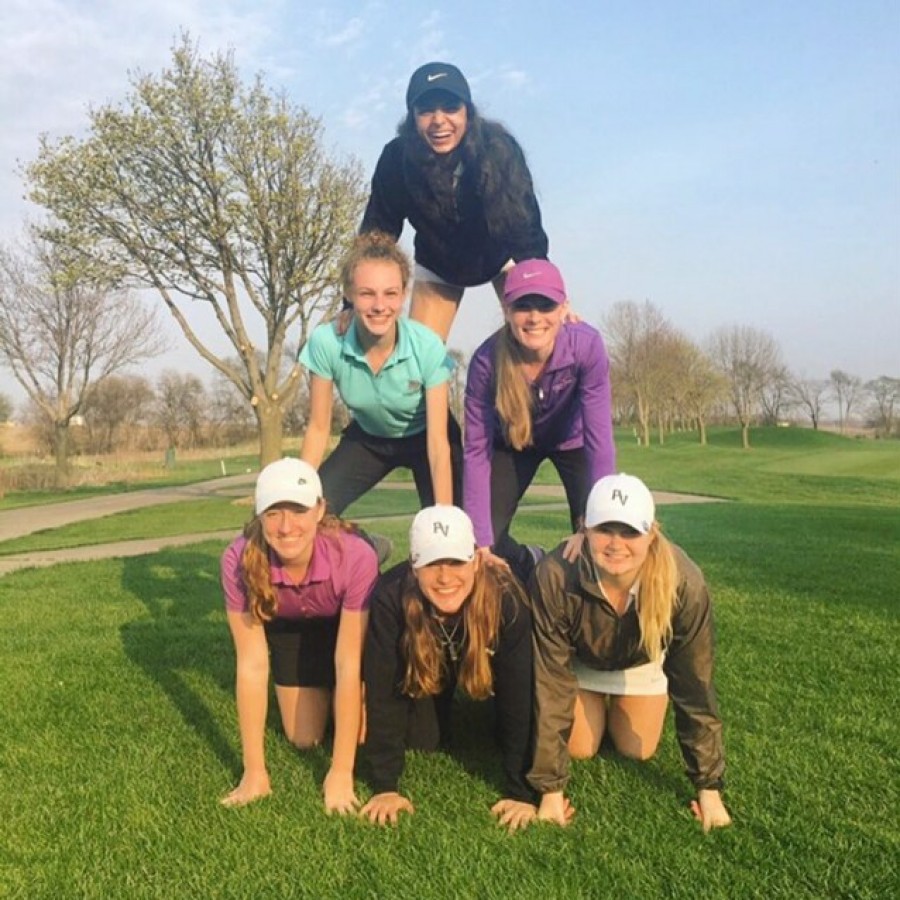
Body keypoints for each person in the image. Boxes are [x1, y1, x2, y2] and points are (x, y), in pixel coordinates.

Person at [528, 473, 732, 832]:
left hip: (640, 662)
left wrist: (709, 788)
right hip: (583, 660)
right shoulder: (554, 575)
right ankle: (593, 706)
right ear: (584, 529)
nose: (616, 544)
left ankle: (614, 708)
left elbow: (694, 685)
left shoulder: (685, 583)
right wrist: (550, 790)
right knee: (579, 749)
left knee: (636, 751)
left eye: (630, 532)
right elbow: (551, 683)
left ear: (651, 533)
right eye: (605, 529)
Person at [360, 505, 537, 832]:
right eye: (431, 563)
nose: (444, 577)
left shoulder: (507, 598)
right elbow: (383, 693)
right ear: (414, 567)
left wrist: (521, 791)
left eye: (455, 561)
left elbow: (520, 695)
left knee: (501, 730)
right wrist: (386, 786)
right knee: (423, 740)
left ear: (476, 560)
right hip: (430, 668)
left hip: (488, 667)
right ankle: (441, 700)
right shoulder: (389, 597)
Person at [220, 457, 377, 814]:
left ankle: (346, 699)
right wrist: (254, 772)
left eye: (298, 510)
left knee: (360, 735)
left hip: (341, 619)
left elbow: (349, 661)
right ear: (259, 516)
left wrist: (341, 771)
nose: (287, 526)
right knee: (304, 738)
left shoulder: (354, 556)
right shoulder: (237, 560)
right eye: (274, 513)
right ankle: (319, 685)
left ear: (320, 510)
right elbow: (252, 665)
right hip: (290, 624)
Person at [360, 61, 549, 341]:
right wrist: (351, 304)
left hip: (502, 255)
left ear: (468, 113)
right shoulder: (396, 159)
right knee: (418, 361)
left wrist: (545, 291)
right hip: (439, 264)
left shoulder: (499, 150)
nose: (439, 121)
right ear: (412, 117)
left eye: (450, 108)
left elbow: (526, 226)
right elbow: (378, 232)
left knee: (537, 338)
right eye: (426, 111)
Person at [463, 258, 616, 581]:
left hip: (572, 442)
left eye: (545, 305)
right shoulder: (486, 362)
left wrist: (601, 518)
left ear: (563, 308)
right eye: (523, 306)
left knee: (599, 535)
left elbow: (599, 439)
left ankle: (571, 595)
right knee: (482, 538)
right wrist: (481, 542)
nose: (534, 317)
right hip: (513, 443)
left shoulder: (587, 345)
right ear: (506, 310)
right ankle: (527, 560)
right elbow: (476, 452)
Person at [299, 232, 461, 515]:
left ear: (403, 294)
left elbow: (437, 443)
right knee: (313, 513)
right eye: (366, 293)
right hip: (369, 439)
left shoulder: (427, 346)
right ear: (349, 294)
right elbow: (318, 427)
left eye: (390, 293)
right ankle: (368, 551)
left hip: (427, 438)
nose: (379, 306)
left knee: (452, 535)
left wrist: (444, 519)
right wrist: (298, 495)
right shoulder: (325, 343)